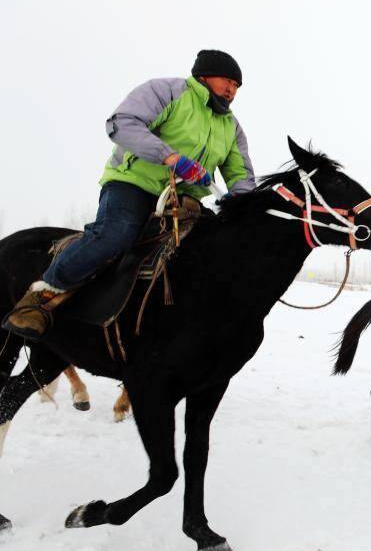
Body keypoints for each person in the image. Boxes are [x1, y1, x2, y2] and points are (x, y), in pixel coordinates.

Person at [3, 50, 256, 340]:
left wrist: (241, 198)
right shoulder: (167, 92)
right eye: (228, 81)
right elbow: (122, 123)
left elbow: (240, 172)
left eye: (237, 86)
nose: (232, 90)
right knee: (116, 233)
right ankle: (40, 298)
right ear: (204, 75)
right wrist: (170, 157)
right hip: (134, 185)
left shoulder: (231, 126)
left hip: (183, 201)